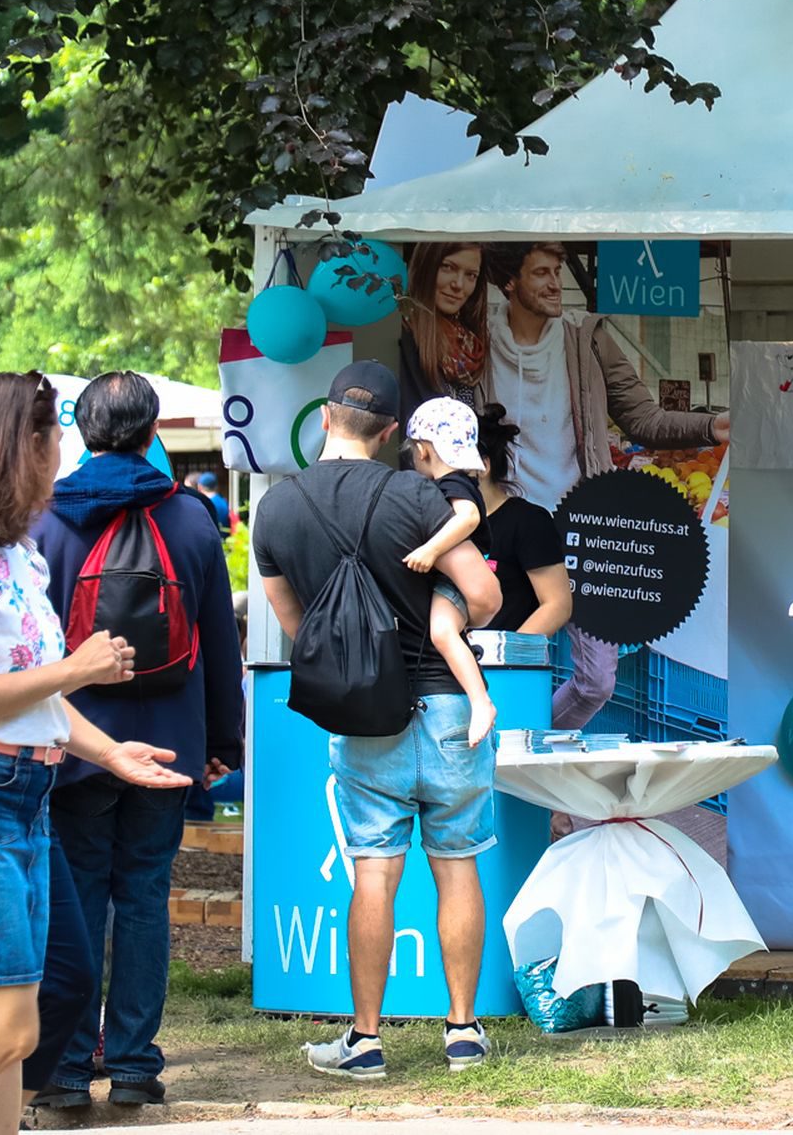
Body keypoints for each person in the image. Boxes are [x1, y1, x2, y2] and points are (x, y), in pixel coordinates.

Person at [0, 371, 186, 1135]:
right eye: (56, 436)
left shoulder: (11, 547)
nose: (65, 451)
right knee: (5, 1031)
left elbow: (32, 694)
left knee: (45, 1003)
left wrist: (112, 752)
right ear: (19, 444)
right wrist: (78, 668)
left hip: (20, 795)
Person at [253, 362, 504, 1080]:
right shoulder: (415, 494)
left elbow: (298, 629)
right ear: (393, 431)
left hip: (366, 717)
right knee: (456, 864)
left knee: (374, 870)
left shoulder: (277, 511)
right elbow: (483, 594)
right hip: (451, 708)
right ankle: (462, 1033)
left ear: (326, 418)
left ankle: (365, 1040)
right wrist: (445, 616)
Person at [27, 372, 244, 1111]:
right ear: (153, 429)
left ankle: (61, 1065)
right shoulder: (188, 519)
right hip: (168, 739)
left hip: (72, 739)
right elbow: (218, 639)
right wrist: (222, 741)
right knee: (146, 897)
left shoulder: (48, 520)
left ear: (79, 432)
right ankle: (132, 1063)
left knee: (77, 894)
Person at [479, 242, 726, 731]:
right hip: (499, 528)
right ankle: (521, 789)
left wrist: (712, 426)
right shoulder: (476, 340)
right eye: (542, 273)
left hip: (579, 526)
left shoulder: (586, 338)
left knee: (596, 681)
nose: (555, 284)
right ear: (510, 283)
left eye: (556, 271)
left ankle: (530, 756)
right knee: (496, 667)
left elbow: (642, 418)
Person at [402, 396, 497, 748]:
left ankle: (480, 702)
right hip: (455, 579)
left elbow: (469, 518)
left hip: (454, 579)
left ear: (423, 450)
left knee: (441, 631)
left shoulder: (453, 483)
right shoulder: (457, 481)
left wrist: (432, 549)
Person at [472, 404, 571, 637]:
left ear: (482, 466)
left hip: (502, 670)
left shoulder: (528, 522)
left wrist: (505, 656)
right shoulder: (441, 521)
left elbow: (557, 605)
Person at [397, 241, 490, 409]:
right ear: (426, 265)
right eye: (448, 267)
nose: (458, 284)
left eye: (471, 275)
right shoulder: (402, 335)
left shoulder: (469, 344)